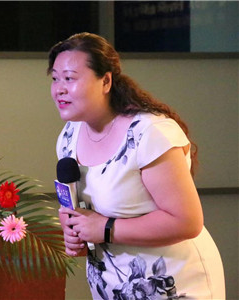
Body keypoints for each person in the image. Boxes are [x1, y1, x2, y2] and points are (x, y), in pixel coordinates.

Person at [49, 32, 225, 299]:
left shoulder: (149, 133)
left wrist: (105, 228)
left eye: (70, 78)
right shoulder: (69, 136)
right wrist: (74, 226)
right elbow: (84, 207)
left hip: (172, 283)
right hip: (112, 285)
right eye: (55, 79)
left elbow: (187, 221)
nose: (59, 88)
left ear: (105, 80)